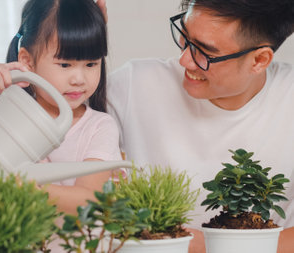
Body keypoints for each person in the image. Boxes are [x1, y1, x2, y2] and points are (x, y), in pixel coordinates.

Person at [103, 0, 294, 252]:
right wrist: (72, 29)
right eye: (185, 36)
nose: (185, 60)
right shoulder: (132, 84)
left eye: (205, 52)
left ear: (259, 60)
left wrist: (202, 244)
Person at [0, 0, 121, 215]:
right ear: (27, 62)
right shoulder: (9, 113)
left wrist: (28, 189)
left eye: (91, 64)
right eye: (65, 65)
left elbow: (89, 200)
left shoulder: (100, 126)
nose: (79, 79)